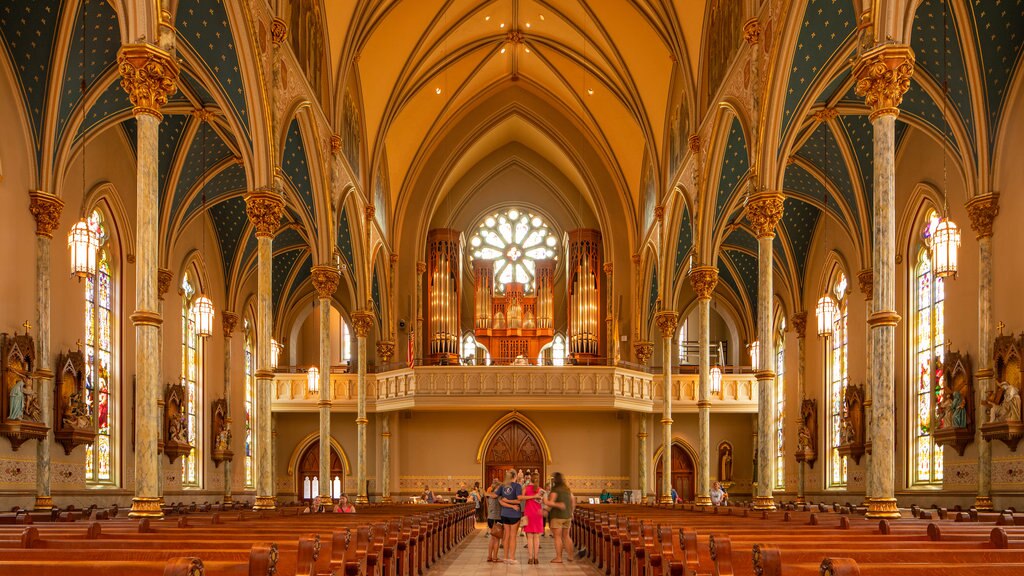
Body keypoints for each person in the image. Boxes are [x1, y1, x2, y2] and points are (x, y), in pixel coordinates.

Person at [546, 471, 582, 563]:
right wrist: (571, 512)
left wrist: (545, 502)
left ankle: (559, 558)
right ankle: (570, 556)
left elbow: (551, 502)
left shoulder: (555, 489)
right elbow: (573, 500)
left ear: (555, 480)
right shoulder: (567, 489)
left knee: (557, 537)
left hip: (557, 516)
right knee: (566, 536)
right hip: (567, 516)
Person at [497, 470, 523, 564]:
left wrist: (506, 501)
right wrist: (511, 502)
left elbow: (497, 497)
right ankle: (512, 558)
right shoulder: (517, 486)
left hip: (504, 513)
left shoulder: (502, 486)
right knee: (513, 536)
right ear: (515, 476)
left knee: (506, 536)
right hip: (514, 514)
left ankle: (505, 557)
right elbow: (518, 501)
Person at [522, 473, 544, 564]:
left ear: (530, 479)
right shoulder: (541, 490)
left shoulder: (526, 488)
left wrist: (530, 497)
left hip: (529, 513)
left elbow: (521, 497)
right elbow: (545, 502)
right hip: (538, 514)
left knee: (529, 537)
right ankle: (536, 558)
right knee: (536, 537)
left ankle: (530, 558)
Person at [485, 479, 502, 562]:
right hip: (497, 518)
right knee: (497, 538)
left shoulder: (490, 494)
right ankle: (495, 557)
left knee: (492, 538)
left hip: (490, 517)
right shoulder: (498, 495)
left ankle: (489, 556)